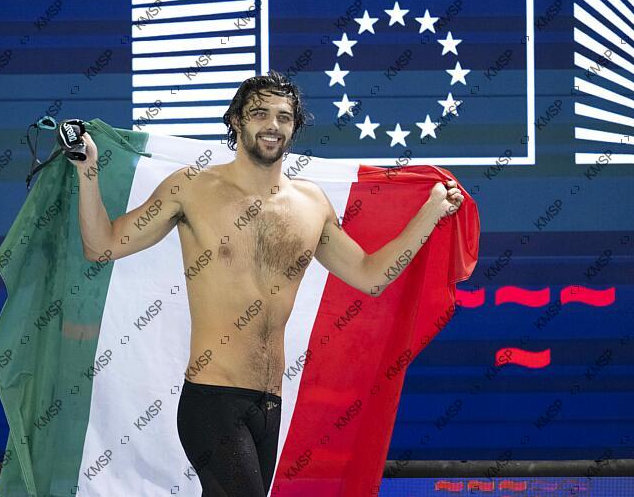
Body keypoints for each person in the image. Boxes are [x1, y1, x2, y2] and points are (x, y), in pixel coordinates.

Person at [70, 70, 464, 496]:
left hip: (269, 405)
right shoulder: (192, 188)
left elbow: (370, 276)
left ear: (295, 127)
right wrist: (88, 170)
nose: (272, 125)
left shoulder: (311, 203)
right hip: (213, 401)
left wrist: (431, 213)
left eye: (284, 117)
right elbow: (102, 246)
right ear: (236, 120)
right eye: (259, 113)